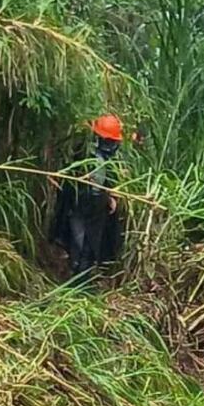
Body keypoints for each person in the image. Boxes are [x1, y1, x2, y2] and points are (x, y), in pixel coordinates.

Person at [51, 114, 125, 286]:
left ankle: (82, 280)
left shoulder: (107, 160)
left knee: (89, 245)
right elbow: (69, 178)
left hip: (97, 206)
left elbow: (108, 181)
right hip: (80, 203)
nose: (111, 145)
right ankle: (77, 281)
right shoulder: (84, 153)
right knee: (80, 242)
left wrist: (110, 196)